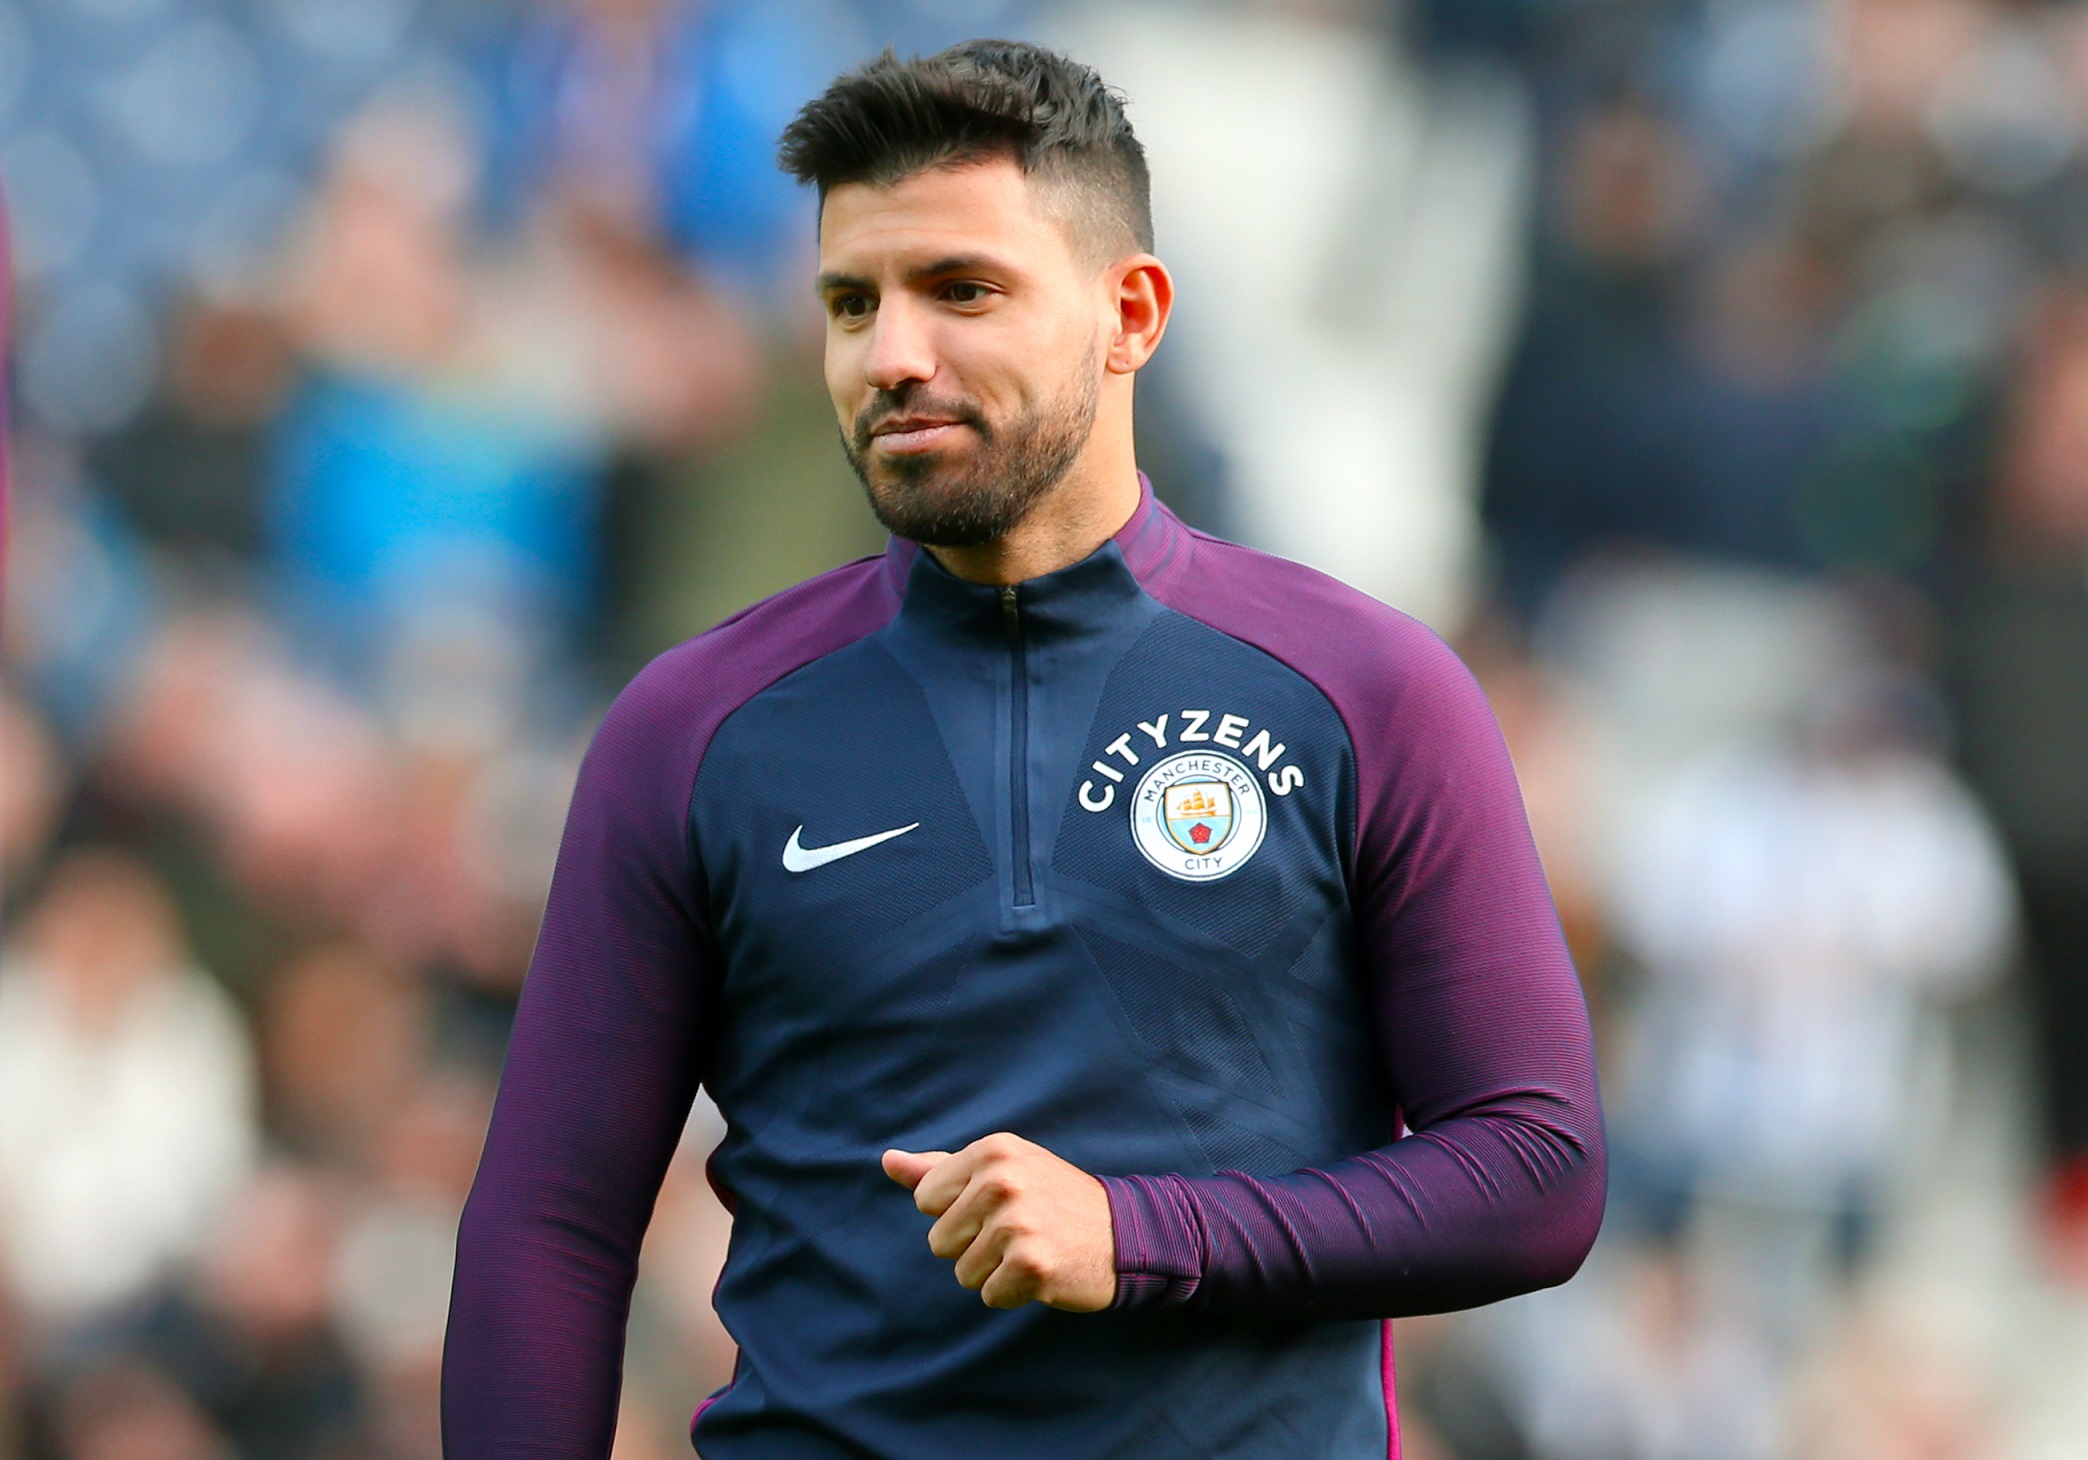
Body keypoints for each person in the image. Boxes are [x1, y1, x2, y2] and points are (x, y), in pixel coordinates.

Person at [443, 40, 1604, 1459]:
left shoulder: (1370, 692)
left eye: (963, 291)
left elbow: (1537, 1172)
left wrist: (1145, 1234)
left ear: (1131, 314)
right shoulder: (691, 731)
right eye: (850, 302)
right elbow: (548, 1230)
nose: (892, 355)